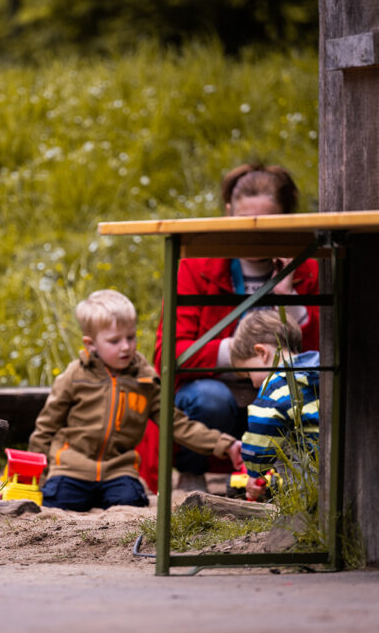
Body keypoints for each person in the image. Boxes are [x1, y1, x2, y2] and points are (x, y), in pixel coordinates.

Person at [139, 162, 320, 493]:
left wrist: (287, 296)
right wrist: (242, 354)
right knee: (209, 399)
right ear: (227, 214)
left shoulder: (308, 268)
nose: (252, 233)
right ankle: (193, 474)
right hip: (217, 397)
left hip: (283, 398)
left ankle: (283, 477)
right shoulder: (195, 266)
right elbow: (169, 355)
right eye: (243, 222)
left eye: (264, 224)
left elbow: (320, 357)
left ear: (286, 221)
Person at [28, 290, 242, 512]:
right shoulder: (76, 375)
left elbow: (176, 423)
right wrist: (36, 472)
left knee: (131, 501)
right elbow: (47, 425)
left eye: (131, 337)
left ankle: (105, 494)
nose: (126, 347)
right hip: (71, 467)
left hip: (118, 469)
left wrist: (224, 444)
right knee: (58, 501)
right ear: (91, 344)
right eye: (114, 341)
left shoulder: (145, 379)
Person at [230, 309, 320, 502]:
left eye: (248, 374)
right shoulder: (318, 371)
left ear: (261, 353)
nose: (253, 384)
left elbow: (260, 438)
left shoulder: (276, 384)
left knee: (278, 441)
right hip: (340, 467)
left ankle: (299, 505)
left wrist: (254, 475)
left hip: (312, 479)